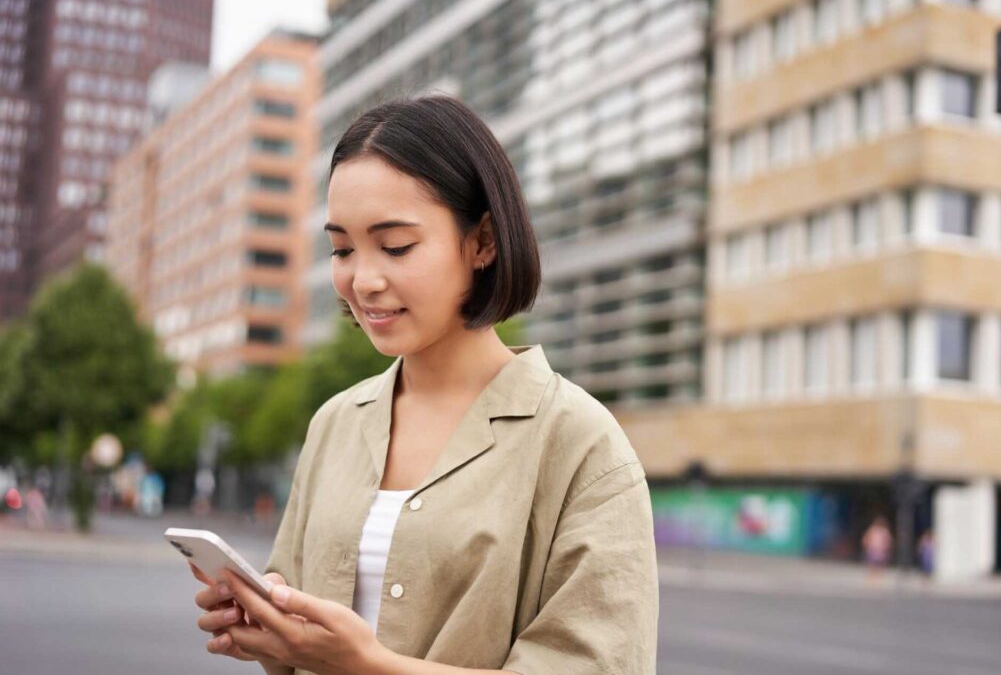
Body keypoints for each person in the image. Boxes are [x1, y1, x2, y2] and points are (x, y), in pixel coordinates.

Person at [189, 95, 659, 675]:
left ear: (483, 241)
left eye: (395, 247)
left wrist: (368, 664)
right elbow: (299, 639)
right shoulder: (335, 422)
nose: (362, 280)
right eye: (341, 249)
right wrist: (271, 625)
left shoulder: (580, 442)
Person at [861, 515, 893, 581]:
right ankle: (873, 577)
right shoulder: (873, 530)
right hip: (873, 549)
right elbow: (866, 538)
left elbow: (889, 540)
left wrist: (887, 547)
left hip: (880, 549)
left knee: (879, 564)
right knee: (873, 563)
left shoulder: (884, 531)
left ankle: (878, 577)